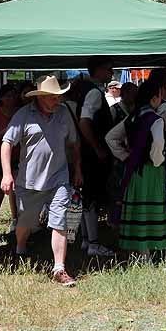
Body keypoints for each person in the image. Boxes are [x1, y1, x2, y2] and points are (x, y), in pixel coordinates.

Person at [1, 76, 82, 287]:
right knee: (26, 223)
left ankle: (59, 269)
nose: (58, 100)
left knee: (60, 220)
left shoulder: (64, 113)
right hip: (29, 182)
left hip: (59, 179)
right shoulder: (24, 115)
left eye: (59, 96)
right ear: (42, 97)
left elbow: (74, 144)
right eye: (54, 97)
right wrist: (7, 174)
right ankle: (20, 248)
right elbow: (6, 143)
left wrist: (78, 170)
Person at [107, 79, 166, 256]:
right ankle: (154, 252)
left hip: (135, 172)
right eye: (160, 95)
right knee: (153, 210)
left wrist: (126, 157)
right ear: (154, 98)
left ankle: (143, 255)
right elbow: (158, 143)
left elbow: (111, 138)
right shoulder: (155, 119)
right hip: (152, 170)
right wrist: (157, 161)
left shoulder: (133, 117)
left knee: (140, 211)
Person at [68, 57, 115, 258]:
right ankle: (93, 243)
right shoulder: (94, 92)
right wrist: (97, 147)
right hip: (90, 154)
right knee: (92, 198)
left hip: (83, 152)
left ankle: (88, 241)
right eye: (109, 69)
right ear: (98, 70)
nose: (111, 73)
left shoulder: (84, 89)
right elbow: (85, 122)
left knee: (87, 198)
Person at [0, 84, 20, 241]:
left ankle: (17, 225)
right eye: (8, 96)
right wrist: (8, 130)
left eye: (13, 96)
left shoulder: (20, 113)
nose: (11, 99)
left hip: (18, 159)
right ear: (1, 98)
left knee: (17, 194)